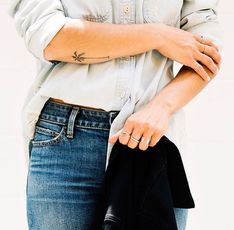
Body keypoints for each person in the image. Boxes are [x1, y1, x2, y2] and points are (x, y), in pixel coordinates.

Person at [9, 0, 222, 229]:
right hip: (66, 143)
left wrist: (163, 107)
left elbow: (206, 51)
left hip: (149, 140)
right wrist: (159, 36)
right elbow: (51, 38)